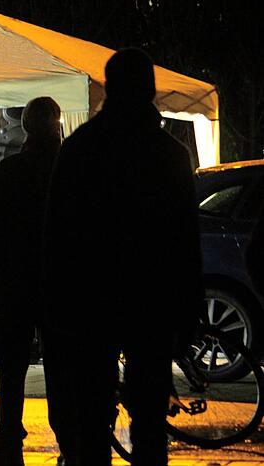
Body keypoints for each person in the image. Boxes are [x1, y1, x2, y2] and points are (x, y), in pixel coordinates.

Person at [42, 48, 203, 465]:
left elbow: (57, 233)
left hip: (89, 301)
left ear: (109, 88)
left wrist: (56, 305)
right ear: (150, 90)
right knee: (150, 419)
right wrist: (188, 310)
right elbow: (185, 239)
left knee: (92, 417)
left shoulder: (79, 149)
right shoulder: (169, 154)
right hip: (152, 300)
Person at [0, 96, 62, 466]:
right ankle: (70, 443)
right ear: (57, 124)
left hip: (15, 282)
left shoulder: (8, 171)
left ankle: (8, 444)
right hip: (61, 283)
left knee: (11, 370)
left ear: (24, 127)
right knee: (62, 367)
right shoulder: (71, 169)